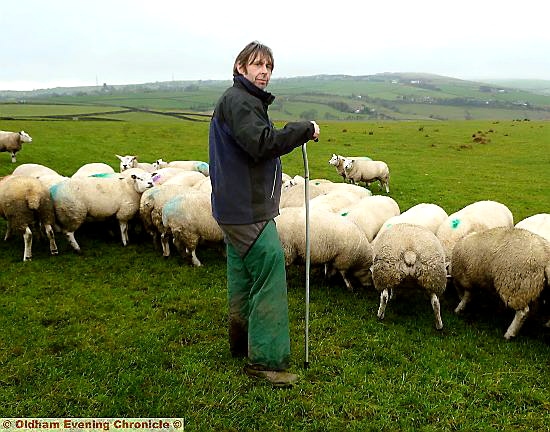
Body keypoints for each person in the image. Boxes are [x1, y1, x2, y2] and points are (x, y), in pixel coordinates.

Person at [208, 41, 320, 387]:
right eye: (256, 65)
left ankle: (241, 343)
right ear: (240, 67)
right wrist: (303, 129)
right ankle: (267, 363)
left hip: (233, 206)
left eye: (268, 67)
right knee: (270, 270)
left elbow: (256, 140)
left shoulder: (239, 101)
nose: (264, 72)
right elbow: (261, 144)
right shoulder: (241, 102)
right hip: (248, 208)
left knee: (243, 273)